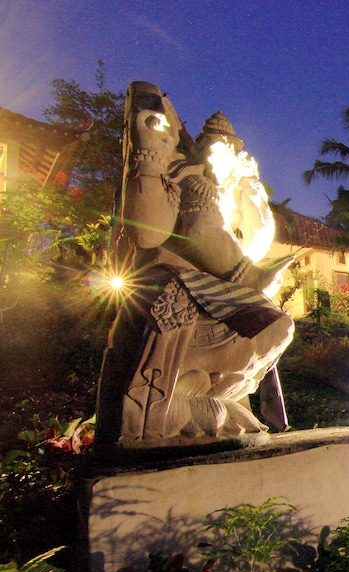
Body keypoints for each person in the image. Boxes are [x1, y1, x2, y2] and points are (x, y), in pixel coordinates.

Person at [95, 82, 293, 449]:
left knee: (269, 327)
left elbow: (255, 233)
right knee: (275, 326)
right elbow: (192, 233)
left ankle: (202, 398)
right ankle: (185, 402)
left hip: (202, 289)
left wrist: (249, 187)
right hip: (183, 289)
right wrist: (251, 276)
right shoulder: (193, 180)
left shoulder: (218, 185)